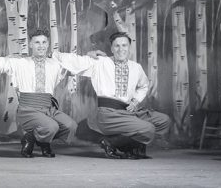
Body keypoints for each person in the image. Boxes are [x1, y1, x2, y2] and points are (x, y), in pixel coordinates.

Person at [0, 29, 83, 158]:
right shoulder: (20, 63)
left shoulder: (56, 64)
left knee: (70, 126)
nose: (41, 46)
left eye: (44, 42)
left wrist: (93, 56)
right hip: (28, 109)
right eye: (37, 42)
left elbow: (76, 63)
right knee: (51, 126)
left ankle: (34, 138)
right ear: (30, 44)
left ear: (48, 44)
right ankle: (42, 141)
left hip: (48, 108)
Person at [53, 31, 171, 159]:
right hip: (108, 114)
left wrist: (135, 101)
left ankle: (132, 147)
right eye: (117, 46)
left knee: (163, 121)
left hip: (128, 112)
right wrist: (53, 55)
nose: (121, 49)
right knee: (148, 129)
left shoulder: (136, 67)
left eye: (124, 45)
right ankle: (111, 143)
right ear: (111, 49)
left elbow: (144, 86)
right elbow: (75, 61)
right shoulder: (100, 63)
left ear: (129, 48)